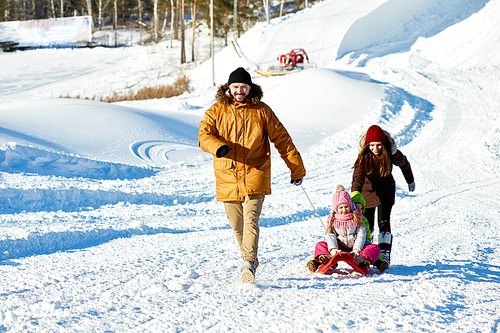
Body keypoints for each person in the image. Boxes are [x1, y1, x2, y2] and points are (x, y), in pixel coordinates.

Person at [198, 67, 306, 284]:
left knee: (250, 220)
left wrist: (296, 169)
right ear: (229, 87)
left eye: (243, 87)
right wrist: (217, 146)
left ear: (250, 88)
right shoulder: (216, 110)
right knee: (237, 224)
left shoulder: (262, 110)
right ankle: (250, 258)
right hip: (227, 173)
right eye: (236, 87)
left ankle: (247, 262)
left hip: (256, 172)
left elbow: (283, 140)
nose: (240, 91)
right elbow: (204, 135)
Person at [351, 124, 415, 269]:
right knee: (367, 224)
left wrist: (410, 180)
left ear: (384, 143)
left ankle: (384, 254)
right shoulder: (363, 157)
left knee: (383, 221)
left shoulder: (392, 153)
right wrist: (355, 198)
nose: (376, 148)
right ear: (367, 144)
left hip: (386, 190)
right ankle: (366, 253)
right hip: (367, 193)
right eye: (372, 145)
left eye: (378, 145)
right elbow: (357, 179)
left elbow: (404, 164)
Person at [307, 186, 380, 272]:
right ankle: (327, 258)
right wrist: (333, 250)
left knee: (374, 247)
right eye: (341, 208)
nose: (344, 210)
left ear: (351, 206)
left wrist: (356, 250)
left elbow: (361, 235)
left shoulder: (357, 219)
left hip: (355, 249)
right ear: (336, 209)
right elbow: (331, 236)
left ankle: (361, 260)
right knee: (320, 245)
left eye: (346, 207)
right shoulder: (333, 221)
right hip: (338, 247)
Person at [350, 190, 388, 272]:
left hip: (361, 246)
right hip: (347, 245)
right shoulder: (346, 219)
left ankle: (372, 261)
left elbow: (366, 235)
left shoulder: (364, 220)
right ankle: (321, 260)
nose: (359, 210)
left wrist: (368, 243)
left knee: (374, 248)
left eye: (361, 208)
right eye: (356, 208)